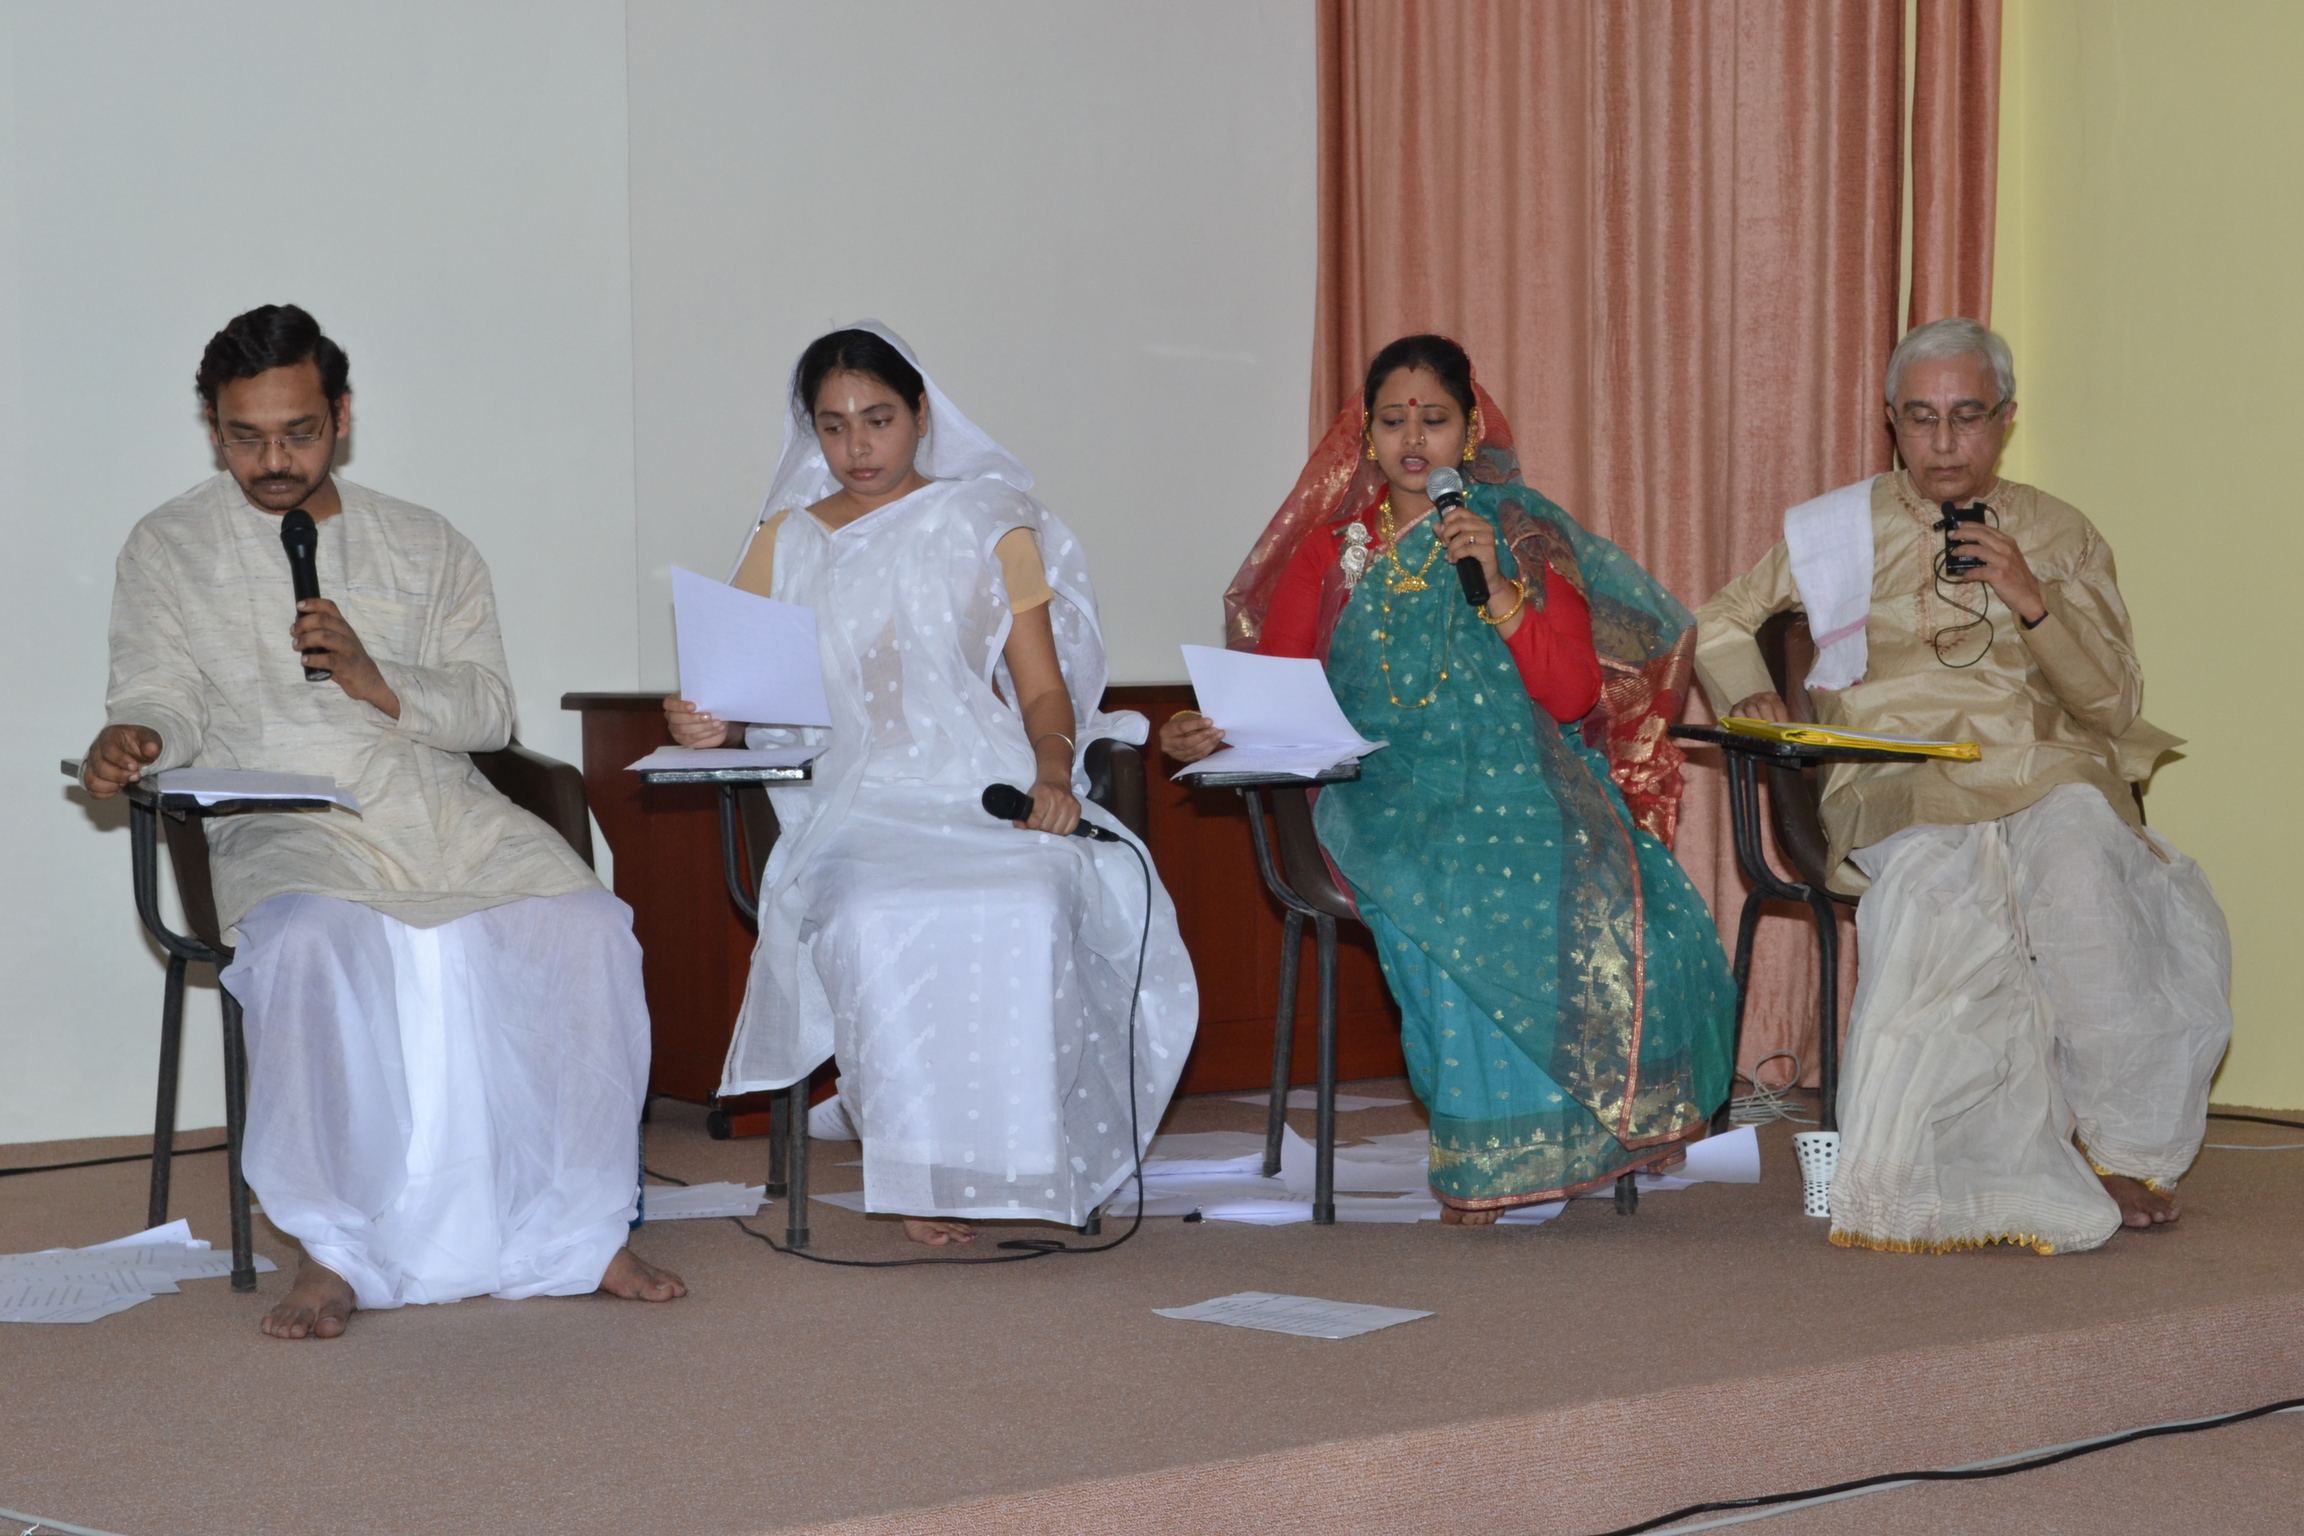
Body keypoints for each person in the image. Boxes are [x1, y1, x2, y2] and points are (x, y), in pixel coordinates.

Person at [82, 304, 682, 1338]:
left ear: (343, 417)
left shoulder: (426, 542)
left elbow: (487, 712)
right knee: (309, 942)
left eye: (299, 433)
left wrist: (376, 676)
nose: (274, 461)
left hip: (439, 806)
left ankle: (581, 1233)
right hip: (285, 817)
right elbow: (161, 694)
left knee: (590, 929)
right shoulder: (168, 546)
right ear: (213, 428)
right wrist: (135, 735)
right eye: (245, 437)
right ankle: (333, 1249)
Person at [1162, 334, 1736, 1222]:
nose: (1413, 438)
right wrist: (1206, 733)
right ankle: (1491, 1158)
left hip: (1528, 782)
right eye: (1393, 421)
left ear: (1469, 432)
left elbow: (1572, 692)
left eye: (1433, 418)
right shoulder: (1330, 553)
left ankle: (1583, 1137)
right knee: (1449, 878)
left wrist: (1500, 587)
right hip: (1379, 790)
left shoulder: (1521, 536)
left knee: (1612, 886)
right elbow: (1278, 693)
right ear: (1368, 435)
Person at [1694, 317, 2232, 1256]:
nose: (1944, 442)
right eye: (1921, 418)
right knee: (1939, 888)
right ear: (1892, 422)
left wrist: (2032, 599)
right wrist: (1749, 694)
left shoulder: (2059, 532)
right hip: (1897, 773)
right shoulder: (1839, 528)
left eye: (1967, 416)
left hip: (2039, 761)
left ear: (2006, 420)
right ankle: (1953, 1163)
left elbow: (2112, 704)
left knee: (2084, 872)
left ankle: (2124, 1151)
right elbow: (1722, 621)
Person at [664, 324, 1196, 1247]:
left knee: (1031, 898)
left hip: (982, 787)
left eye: (878, 419)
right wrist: (706, 724)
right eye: (834, 426)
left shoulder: (989, 521)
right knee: (875, 916)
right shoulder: (786, 541)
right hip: (856, 805)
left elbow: (1042, 690)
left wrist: (1053, 772)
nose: (857, 447)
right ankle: (921, 1169)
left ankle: (1025, 1164)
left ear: (920, 414)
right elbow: (744, 702)